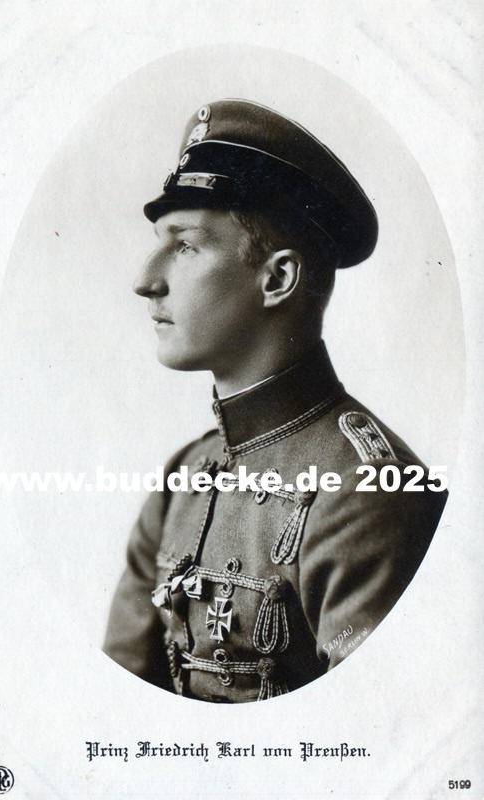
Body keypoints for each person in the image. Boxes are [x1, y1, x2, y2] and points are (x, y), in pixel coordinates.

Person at [103, 99, 447, 702]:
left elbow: (376, 731)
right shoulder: (183, 478)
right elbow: (117, 701)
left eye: (185, 246)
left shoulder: (369, 491)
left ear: (277, 279)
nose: (145, 280)